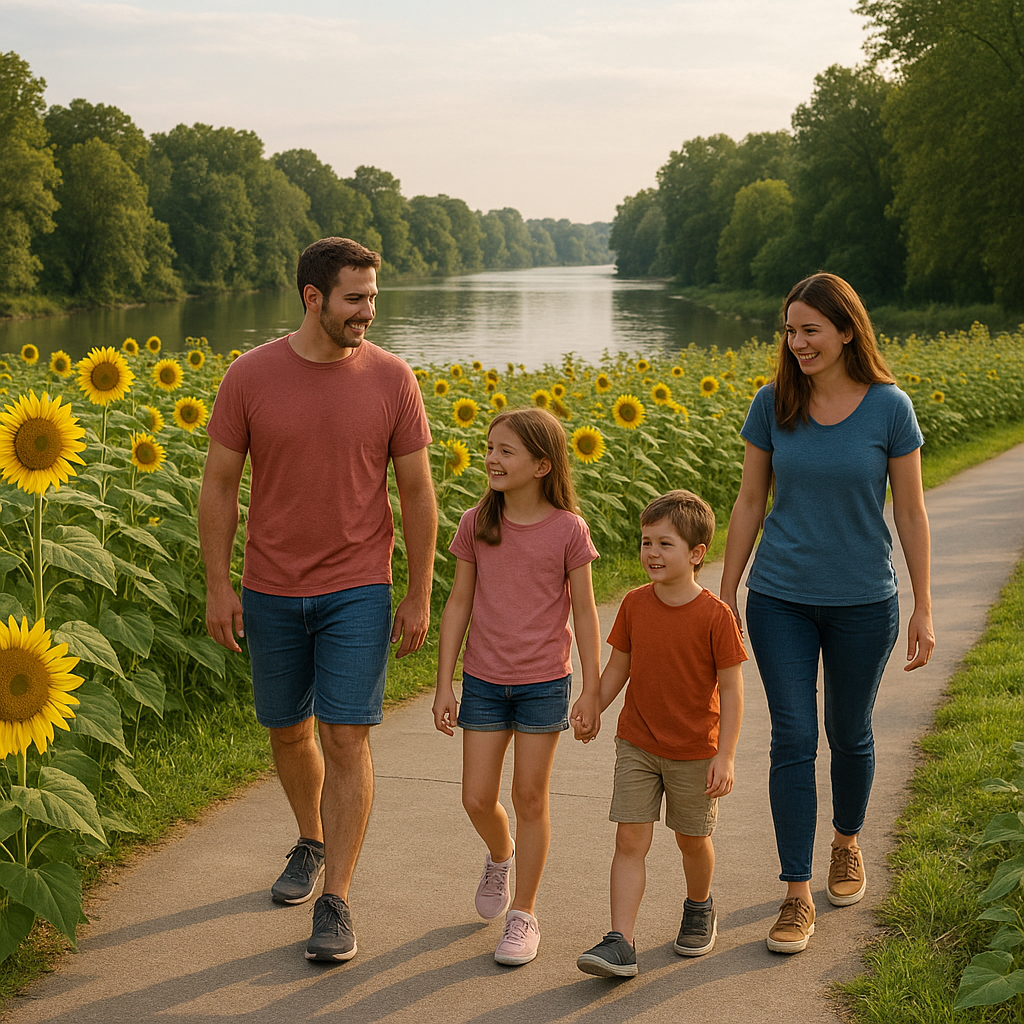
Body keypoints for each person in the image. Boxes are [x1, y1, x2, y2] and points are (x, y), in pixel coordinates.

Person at [199, 237, 438, 963]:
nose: (369, 311)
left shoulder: (393, 379)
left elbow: (418, 491)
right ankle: (310, 837)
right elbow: (218, 485)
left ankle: (336, 897)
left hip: (358, 589)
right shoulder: (249, 376)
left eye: (373, 297)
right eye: (355, 298)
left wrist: (420, 591)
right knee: (286, 730)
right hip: (270, 586)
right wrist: (219, 582)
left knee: (345, 736)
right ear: (313, 298)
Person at [720, 272, 934, 954]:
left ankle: (846, 843)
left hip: (865, 602)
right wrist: (724, 593)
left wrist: (922, 605)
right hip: (779, 596)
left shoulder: (889, 409)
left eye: (810, 329)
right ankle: (795, 892)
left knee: (850, 733)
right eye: (790, 330)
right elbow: (750, 501)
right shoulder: (772, 403)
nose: (797, 342)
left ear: (847, 331)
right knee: (792, 738)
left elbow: (911, 511)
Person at [432, 407, 602, 966]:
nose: (491, 459)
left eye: (506, 451)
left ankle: (523, 914)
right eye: (489, 448)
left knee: (530, 796)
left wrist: (592, 689)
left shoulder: (568, 530)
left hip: (543, 683)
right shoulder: (476, 522)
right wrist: (444, 684)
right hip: (482, 680)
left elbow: (584, 610)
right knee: (476, 797)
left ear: (541, 465)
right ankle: (501, 853)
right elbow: (458, 603)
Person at [575, 490, 746, 978]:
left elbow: (733, 692)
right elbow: (619, 668)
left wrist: (726, 756)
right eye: (646, 542)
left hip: (696, 750)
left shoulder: (716, 616)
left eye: (664, 544)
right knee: (630, 838)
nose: (651, 553)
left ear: (696, 554)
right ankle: (620, 941)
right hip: (638, 743)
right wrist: (593, 703)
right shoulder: (634, 604)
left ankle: (698, 905)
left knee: (692, 840)